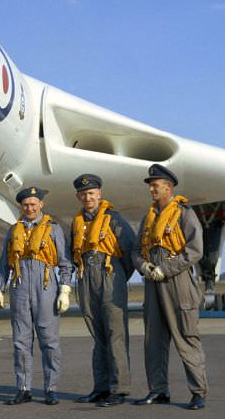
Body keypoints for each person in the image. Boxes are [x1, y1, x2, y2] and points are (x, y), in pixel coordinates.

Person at [132, 164, 208, 410]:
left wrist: (166, 268)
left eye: (155, 185)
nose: (151, 189)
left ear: (168, 187)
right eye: (150, 186)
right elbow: (135, 250)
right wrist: (143, 267)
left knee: (186, 337)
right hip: (153, 284)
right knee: (153, 339)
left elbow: (195, 250)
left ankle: (198, 392)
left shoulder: (185, 214)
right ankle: (158, 389)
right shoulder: (148, 217)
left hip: (178, 282)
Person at [0, 187, 73, 406]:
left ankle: (51, 388)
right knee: (21, 342)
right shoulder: (13, 230)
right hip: (19, 287)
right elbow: (4, 262)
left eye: (33, 204)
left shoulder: (53, 229)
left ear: (41, 205)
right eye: (26, 205)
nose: (30, 208)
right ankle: (23, 388)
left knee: (49, 341)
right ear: (21, 207)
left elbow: (65, 262)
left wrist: (65, 289)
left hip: (46, 287)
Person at [70, 174, 136, 407]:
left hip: (110, 276)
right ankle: (101, 387)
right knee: (98, 337)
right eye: (84, 194)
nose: (88, 197)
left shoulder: (114, 219)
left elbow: (130, 250)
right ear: (79, 196)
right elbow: (72, 251)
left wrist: (117, 278)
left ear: (99, 194)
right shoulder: (77, 222)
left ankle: (119, 389)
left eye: (92, 193)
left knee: (115, 335)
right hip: (86, 277)